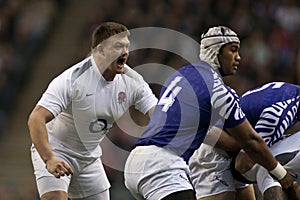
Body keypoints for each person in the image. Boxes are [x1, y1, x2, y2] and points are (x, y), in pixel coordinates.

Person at [124, 26, 294, 200]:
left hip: (137, 160)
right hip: (163, 167)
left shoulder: (179, 75)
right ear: (215, 52)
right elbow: (250, 141)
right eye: (233, 50)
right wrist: (282, 174)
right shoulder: (218, 90)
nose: (238, 57)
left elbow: (204, 131)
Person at [27, 22, 158, 200]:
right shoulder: (73, 79)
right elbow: (36, 118)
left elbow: (158, 115)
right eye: (118, 46)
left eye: (127, 46)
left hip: (89, 158)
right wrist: (49, 158)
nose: (125, 52)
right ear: (100, 50)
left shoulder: (133, 81)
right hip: (57, 149)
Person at [232, 82, 300, 199]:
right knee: (269, 164)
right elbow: (243, 163)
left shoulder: (291, 93)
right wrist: (282, 174)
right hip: (217, 153)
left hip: (232, 149)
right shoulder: (280, 112)